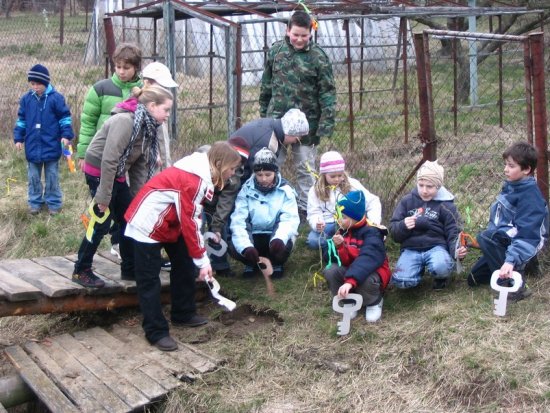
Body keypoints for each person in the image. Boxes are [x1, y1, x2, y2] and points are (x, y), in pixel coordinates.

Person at [124, 142, 242, 351]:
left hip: (171, 221)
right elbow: (191, 222)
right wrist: (204, 261)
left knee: (185, 263)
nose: (232, 174)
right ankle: (155, 331)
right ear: (220, 164)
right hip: (148, 223)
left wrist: (197, 258)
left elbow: (188, 219)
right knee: (149, 280)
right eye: (231, 169)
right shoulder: (193, 180)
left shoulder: (202, 173)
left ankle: (183, 312)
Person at [72, 85, 174, 288]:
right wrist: (103, 197)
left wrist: (138, 198)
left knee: (130, 218)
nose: (168, 115)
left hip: (116, 172)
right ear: (152, 106)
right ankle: (81, 270)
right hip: (99, 171)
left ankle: (129, 268)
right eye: (166, 109)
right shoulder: (125, 122)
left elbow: (138, 163)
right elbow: (109, 160)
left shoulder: (146, 126)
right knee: (101, 221)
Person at [259, 10, 336, 217]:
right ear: (287, 30)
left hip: (307, 126)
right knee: (272, 164)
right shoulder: (276, 52)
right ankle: (270, 206)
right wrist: (264, 117)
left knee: (306, 169)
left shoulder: (318, 57)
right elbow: (266, 85)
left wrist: (325, 123)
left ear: (311, 33)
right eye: (296, 34)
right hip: (277, 122)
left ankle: (306, 209)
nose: (299, 39)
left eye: (304, 35)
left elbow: (327, 91)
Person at [77, 43, 142, 257]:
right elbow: (88, 122)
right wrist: (82, 152)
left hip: (127, 159)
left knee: (123, 203)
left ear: (136, 68)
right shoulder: (101, 89)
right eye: (118, 67)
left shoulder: (143, 91)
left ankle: (120, 244)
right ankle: (95, 253)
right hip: (103, 156)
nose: (121, 72)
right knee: (106, 203)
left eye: (126, 68)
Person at [467, 142, 548, 301]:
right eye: (505, 165)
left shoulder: (530, 197)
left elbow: (528, 236)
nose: (505, 169)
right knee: (474, 279)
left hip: (523, 242)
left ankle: (516, 286)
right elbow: (500, 222)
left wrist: (510, 260)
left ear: (526, 170)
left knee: (486, 237)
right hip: (506, 239)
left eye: (511, 166)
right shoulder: (511, 186)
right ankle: (526, 265)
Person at [390, 160, 467, 290]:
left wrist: (456, 250)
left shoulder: (446, 205)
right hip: (411, 248)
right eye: (421, 185)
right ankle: (415, 270)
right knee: (401, 281)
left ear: (438, 186)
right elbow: (394, 231)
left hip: (436, 247)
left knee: (442, 267)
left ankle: (441, 277)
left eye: (430, 186)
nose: (424, 191)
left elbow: (453, 231)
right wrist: (403, 225)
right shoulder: (407, 201)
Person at [229, 148, 300, 279]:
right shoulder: (245, 191)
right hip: (253, 236)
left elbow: (289, 219)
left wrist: (279, 239)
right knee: (234, 244)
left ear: (275, 172)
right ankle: (250, 262)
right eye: (259, 175)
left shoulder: (286, 191)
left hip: (273, 236)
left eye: (268, 174)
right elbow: (239, 220)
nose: (263, 179)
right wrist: (246, 247)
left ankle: (277, 263)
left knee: (283, 243)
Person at [14, 64, 74, 215]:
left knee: (52, 176)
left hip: (51, 145)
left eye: (38, 84)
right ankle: (35, 202)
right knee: (33, 176)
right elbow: (21, 121)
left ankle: (53, 202)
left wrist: (66, 135)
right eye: (32, 84)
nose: (35, 87)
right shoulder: (26, 99)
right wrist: (18, 138)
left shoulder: (56, 99)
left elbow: (65, 119)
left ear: (46, 83)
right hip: (33, 147)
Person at [323, 191, 390, 322]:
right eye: (338, 215)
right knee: (331, 270)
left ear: (355, 218)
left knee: (366, 278)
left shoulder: (372, 233)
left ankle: (373, 302)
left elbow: (367, 259)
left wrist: (350, 281)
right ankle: (348, 299)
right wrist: (338, 247)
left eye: (343, 217)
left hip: (372, 272)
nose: (339, 220)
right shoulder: (343, 230)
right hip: (352, 272)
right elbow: (331, 258)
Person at [306, 151, 382, 255]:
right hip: (328, 224)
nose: (337, 179)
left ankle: (346, 247)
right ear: (323, 175)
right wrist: (317, 223)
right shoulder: (315, 190)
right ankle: (337, 247)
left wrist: (374, 223)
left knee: (365, 235)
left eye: (340, 175)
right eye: (332, 176)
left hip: (350, 223)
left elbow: (373, 201)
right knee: (313, 240)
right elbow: (313, 212)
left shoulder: (352, 184)